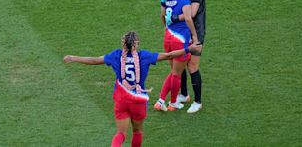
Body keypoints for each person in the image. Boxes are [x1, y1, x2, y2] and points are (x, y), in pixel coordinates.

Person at [63, 31, 201, 147]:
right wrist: (189, 49)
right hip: (138, 101)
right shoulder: (145, 56)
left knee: (120, 134)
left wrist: (73, 57)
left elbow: (94, 60)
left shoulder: (116, 56)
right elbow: (169, 55)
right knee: (137, 131)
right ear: (136, 45)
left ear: (123, 44)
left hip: (121, 99)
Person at [161, 0, 206, 113]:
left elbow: (191, 14)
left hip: (196, 32)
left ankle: (198, 102)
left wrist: (174, 18)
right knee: (181, 62)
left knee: (192, 66)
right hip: (184, 33)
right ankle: (184, 94)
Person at [154, 0, 199, 112]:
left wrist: (162, 3)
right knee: (176, 73)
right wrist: (194, 36)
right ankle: (170, 103)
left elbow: (163, 18)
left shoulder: (166, 3)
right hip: (179, 40)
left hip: (167, 38)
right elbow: (188, 18)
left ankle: (164, 101)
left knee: (174, 71)